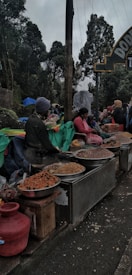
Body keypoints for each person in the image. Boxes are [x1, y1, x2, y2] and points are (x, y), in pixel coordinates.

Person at [24, 97, 60, 165]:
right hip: (37, 155)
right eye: (48, 110)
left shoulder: (30, 119)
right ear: (44, 110)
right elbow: (46, 144)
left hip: (28, 152)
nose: (49, 112)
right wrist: (56, 150)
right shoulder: (39, 124)